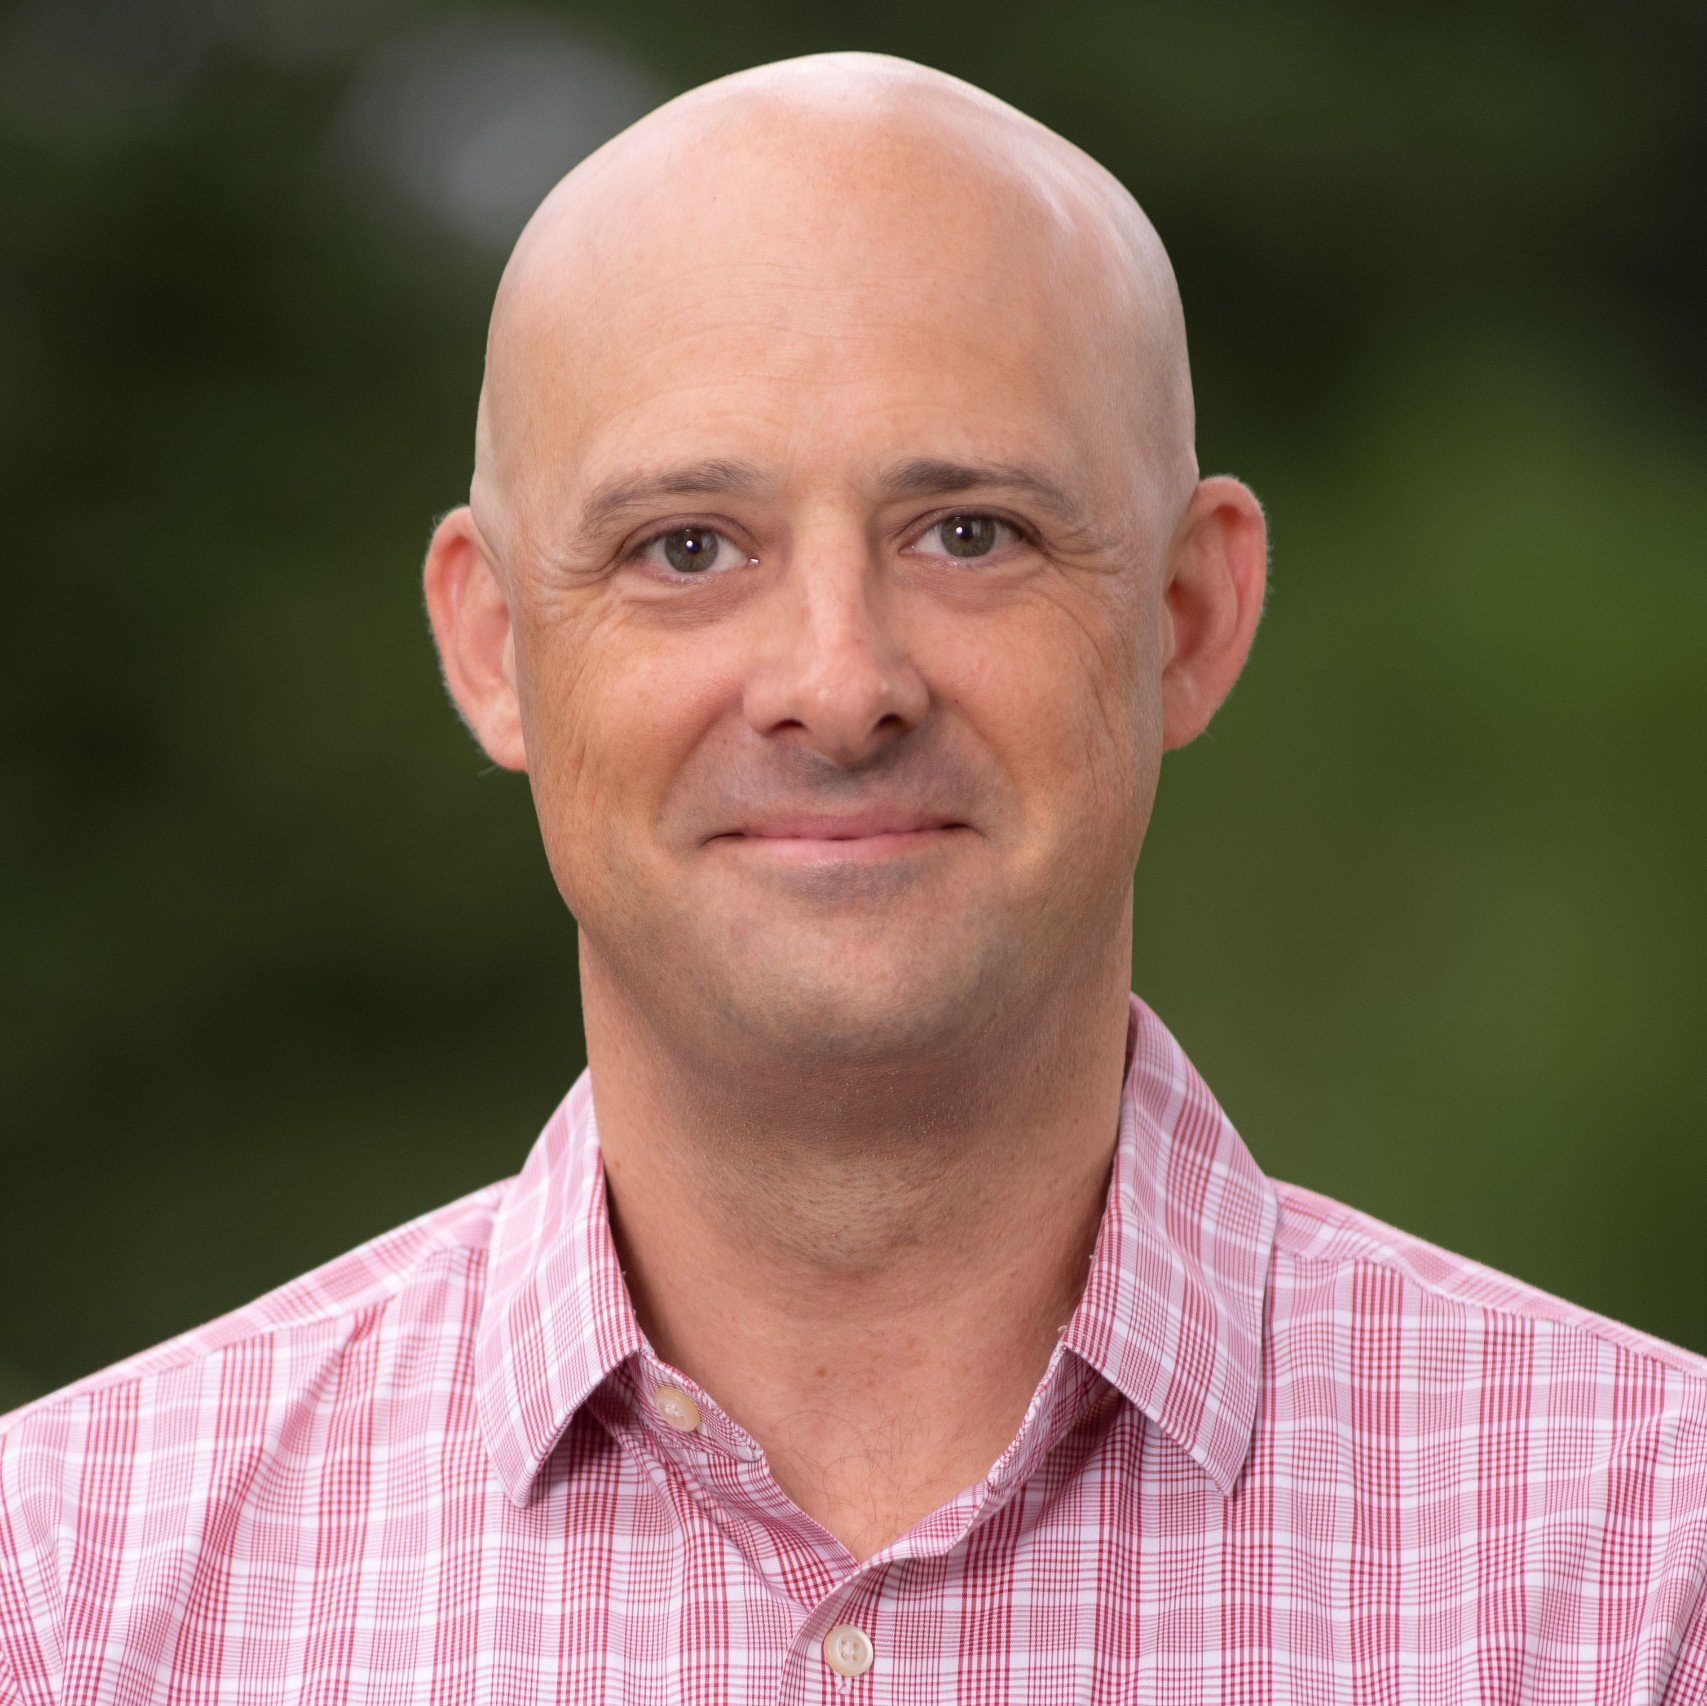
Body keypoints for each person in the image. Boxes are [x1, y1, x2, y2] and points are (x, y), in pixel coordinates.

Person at [2, 50, 1703, 1705]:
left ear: (1188, 616)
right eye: (687, 547)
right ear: (494, 644)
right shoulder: (63, 1594)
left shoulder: (1653, 1573)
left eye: (970, 531)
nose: (837, 680)